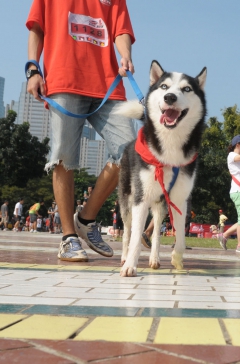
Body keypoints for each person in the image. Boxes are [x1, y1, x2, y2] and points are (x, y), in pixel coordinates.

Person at [26, 0, 136, 262]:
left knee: (130, 153)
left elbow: (121, 30)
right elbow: (37, 27)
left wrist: (125, 55)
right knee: (64, 155)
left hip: (108, 84)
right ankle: (68, 238)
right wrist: (33, 68)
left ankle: (86, 218)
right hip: (64, 78)